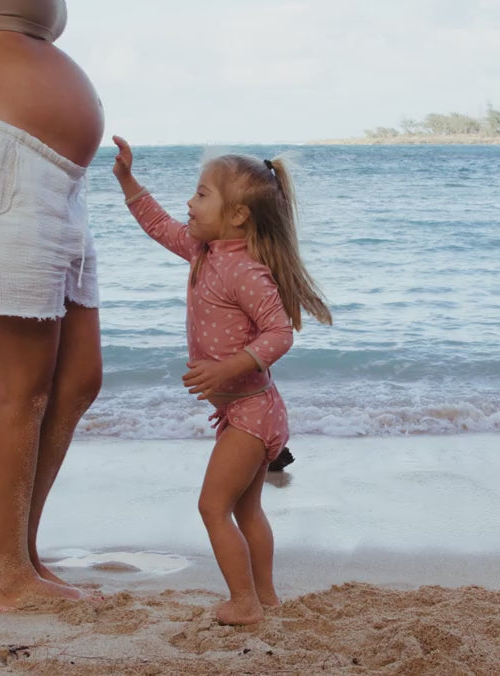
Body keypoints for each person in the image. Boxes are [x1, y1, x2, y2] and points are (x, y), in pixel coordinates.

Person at [111, 136, 332, 624]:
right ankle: (265, 596)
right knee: (247, 511)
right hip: (245, 407)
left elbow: (280, 334)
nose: (189, 203)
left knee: (213, 507)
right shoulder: (201, 251)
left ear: (237, 215)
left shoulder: (245, 272)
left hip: (252, 410)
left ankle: (244, 603)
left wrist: (227, 367)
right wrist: (128, 180)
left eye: (202, 193)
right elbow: (156, 225)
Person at [0, 0, 104, 612]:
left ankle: (22, 556)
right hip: (7, 167)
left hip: (58, 181)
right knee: (24, 387)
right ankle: (7, 576)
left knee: (80, 378)